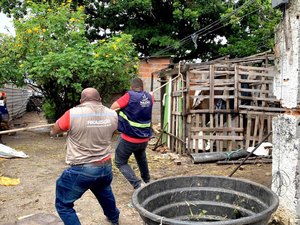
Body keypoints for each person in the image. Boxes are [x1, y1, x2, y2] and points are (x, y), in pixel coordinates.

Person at [50, 87, 120, 225]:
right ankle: (114, 219)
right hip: (105, 167)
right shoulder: (113, 114)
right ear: (99, 100)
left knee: (63, 204)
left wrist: (61, 125)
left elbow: (54, 131)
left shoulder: (73, 114)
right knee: (104, 191)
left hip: (82, 170)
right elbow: (113, 132)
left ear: (81, 101)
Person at [111, 77, 153, 189]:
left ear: (131, 87)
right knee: (141, 157)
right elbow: (146, 99)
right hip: (144, 138)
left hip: (129, 138)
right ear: (142, 87)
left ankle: (138, 185)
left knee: (120, 162)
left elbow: (113, 108)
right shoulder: (150, 97)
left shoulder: (129, 96)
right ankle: (147, 181)